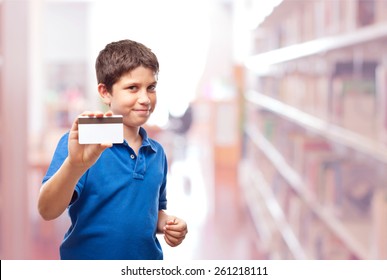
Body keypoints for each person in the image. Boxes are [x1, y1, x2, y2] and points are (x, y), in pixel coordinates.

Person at [37, 39, 188, 260]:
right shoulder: (82, 144)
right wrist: (74, 165)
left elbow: (149, 213)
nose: (145, 98)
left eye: (151, 87)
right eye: (132, 88)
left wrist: (168, 224)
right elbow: (47, 210)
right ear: (105, 92)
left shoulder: (157, 153)